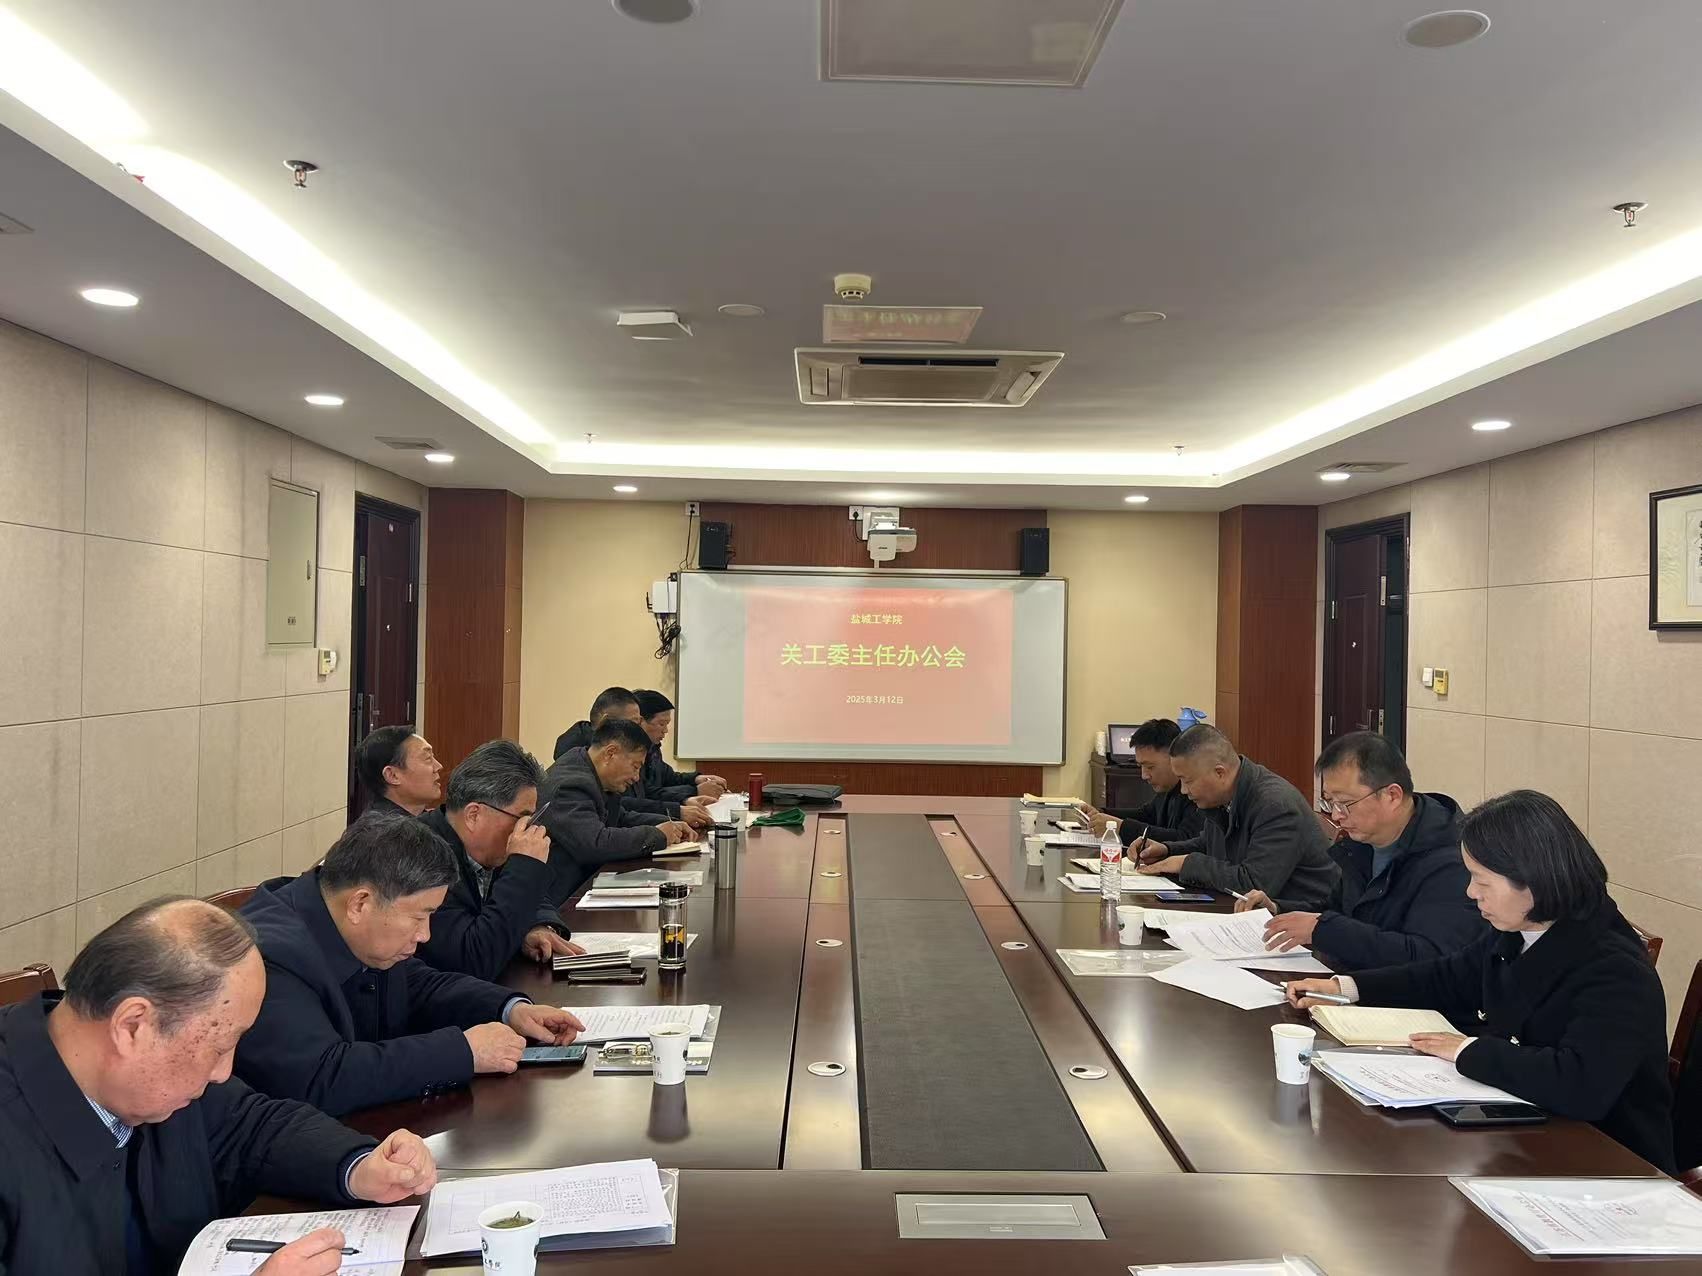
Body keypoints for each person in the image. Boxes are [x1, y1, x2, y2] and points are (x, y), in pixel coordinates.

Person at [0, 897, 438, 1276]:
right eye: (219, 1046)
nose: (223, 1072)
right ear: (133, 1026)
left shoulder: (148, 1080)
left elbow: (253, 1126)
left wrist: (359, 1167)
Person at [1287, 790, 1675, 1173]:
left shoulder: (1615, 968)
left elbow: (1580, 1084)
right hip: (1525, 1131)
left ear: (1533, 880)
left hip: (1607, 1163)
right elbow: (1449, 976)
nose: (1471, 893)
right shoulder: (1522, 927)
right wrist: (1348, 988)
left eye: (1482, 881)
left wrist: (1467, 1051)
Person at [237, 811, 583, 1116]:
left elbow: (417, 985)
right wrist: (461, 1052)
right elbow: (322, 1078)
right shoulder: (269, 957)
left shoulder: (349, 919)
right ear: (360, 904)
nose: (425, 935)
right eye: (420, 917)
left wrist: (510, 1009)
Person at [1236, 731, 1485, 968]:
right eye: (1329, 802)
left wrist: (1326, 931)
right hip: (1353, 980)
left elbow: (1429, 957)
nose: (1336, 815)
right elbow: (1337, 911)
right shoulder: (1363, 841)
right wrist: (1277, 910)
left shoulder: (1452, 858)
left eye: (1345, 803)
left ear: (1392, 796)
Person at [417, 740, 586, 980]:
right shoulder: (421, 855)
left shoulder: (489, 848)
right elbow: (475, 960)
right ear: (474, 815)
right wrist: (525, 866)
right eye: (522, 818)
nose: (527, 829)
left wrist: (535, 925)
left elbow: (533, 897)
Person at [1132, 724, 1338, 907]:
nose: (1184, 791)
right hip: (1250, 913)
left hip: (1305, 922)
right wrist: (1166, 850)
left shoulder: (1276, 805)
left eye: (1188, 781)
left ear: (1219, 773)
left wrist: (1187, 864)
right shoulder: (1225, 795)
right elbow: (1208, 844)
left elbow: (1253, 884)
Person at [538, 717, 691, 904]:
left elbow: (620, 817)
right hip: (559, 900)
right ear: (610, 753)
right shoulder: (570, 784)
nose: (636, 777)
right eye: (635, 767)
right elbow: (595, 843)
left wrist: (670, 824)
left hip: (583, 886)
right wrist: (657, 835)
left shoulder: (590, 770)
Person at [555, 687, 713, 829]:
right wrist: (675, 812)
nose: (639, 729)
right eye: (634, 723)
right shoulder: (582, 767)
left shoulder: (632, 749)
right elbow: (598, 838)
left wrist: (673, 817)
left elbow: (622, 811)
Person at [1077, 718, 1203, 846]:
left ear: (1174, 758)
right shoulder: (1167, 788)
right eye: (1141, 766)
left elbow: (1184, 839)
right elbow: (1147, 815)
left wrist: (1121, 828)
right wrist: (1101, 813)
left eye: (1150, 767)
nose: (1144, 775)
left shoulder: (1196, 793)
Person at [633, 689, 727, 801]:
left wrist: (696, 779)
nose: (665, 730)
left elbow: (669, 778)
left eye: (667, 724)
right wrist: (694, 791)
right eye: (661, 724)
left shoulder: (653, 749)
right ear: (640, 721)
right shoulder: (630, 754)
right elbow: (645, 794)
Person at [355, 724, 442, 816]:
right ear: (392, 775)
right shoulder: (385, 824)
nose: (439, 766)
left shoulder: (426, 818)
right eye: (428, 758)